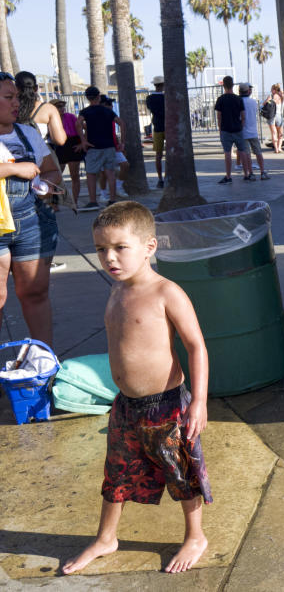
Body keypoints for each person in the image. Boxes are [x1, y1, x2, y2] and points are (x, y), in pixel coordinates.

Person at [62, 201, 211, 575]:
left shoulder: (166, 292)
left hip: (167, 405)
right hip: (126, 406)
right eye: (100, 249)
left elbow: (196, 346)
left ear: (149, 246)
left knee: (181, 472)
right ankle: (105, 538)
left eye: (119, 248)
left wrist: (200, 403)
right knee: (117, 472)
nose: (109, 257)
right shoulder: (117, 290)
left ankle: (195, 536)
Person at [0, 71, 62, 345]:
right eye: (8, 97)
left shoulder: (27, 132)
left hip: (31, 223)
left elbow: (51, 171)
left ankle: (45, 362)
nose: (17, 103)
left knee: (35, 294)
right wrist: (15, 169)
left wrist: (45, 186)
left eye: (17, 97)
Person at [77, 87, 125, 210]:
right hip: (109, 146)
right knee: (110, 173)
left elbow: (78, 123)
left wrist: (83, 140)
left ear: (87, 98)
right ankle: (112, 200)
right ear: (99, 96)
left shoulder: (85, 111)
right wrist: (122, 142)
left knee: (91, 174)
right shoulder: (108, 111)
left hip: (93, 146)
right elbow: (121, 123)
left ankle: (93, 201)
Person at [15, 71, 66, 149]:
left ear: (16, 88)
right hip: (44, 155)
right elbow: (60, 140)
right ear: (36, 88)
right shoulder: (48, 109)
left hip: (16, 154)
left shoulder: (9, 108)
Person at [214, 75, 251, 183]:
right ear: (232, 85)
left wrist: (220, 129)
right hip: (238, 128)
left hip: (226, 129)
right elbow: (243, 116)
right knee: (242, 151)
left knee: (227, 153)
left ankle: (228, 176)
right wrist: (241, 126)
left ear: (224, 86)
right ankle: (246, 174)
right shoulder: (238, 99)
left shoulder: (220, 99)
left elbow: (219, 117)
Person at [51, 99, 83, 207]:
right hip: (59, 146)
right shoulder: (50, 118)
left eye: (63, 106)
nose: (62, 108)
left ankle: (75, 201)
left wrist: (83, 142)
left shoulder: (70, 116)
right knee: (56, 176)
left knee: (75, 175)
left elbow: (84, 128)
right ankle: (54, 202)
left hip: (73, 143)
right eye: (59, 106)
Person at [238, 82, 269, 179]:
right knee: (258, 152)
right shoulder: (253, 102)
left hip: (243, 131)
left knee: (247, 154)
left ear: (239, 91)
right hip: (253, 131)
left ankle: (250, 173)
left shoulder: (238, 102)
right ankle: (262, 172)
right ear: (248, 91)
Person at [145, 75, 165, 188]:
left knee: (158, 154)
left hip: (157, 127)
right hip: (168, 126)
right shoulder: (166, 97)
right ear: (163, 85)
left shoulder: (150, 99)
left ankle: (160, 179)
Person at [268, 83, 284, 152]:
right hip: (279, 115)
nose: (271, 91)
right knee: (280, 133)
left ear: (274, 90)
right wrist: (279, 91)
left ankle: (276, 149)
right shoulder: (281, 96)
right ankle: (279, 147)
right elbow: (283, 93)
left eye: (271, 89)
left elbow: (263, 105)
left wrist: (268, 100)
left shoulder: (271, 96)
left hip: (271, 116)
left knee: (274, 133)